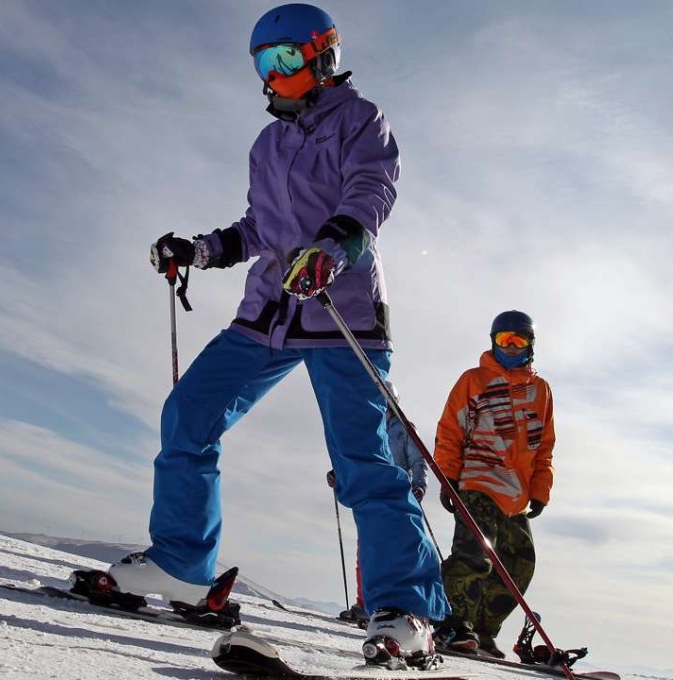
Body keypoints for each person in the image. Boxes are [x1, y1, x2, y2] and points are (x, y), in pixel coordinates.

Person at [105, 3, 448, 668]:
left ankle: (407, 612)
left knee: (366, 464)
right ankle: (181, 563)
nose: (274, 75)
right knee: (190, 413)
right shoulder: (267, 145)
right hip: (268, 314)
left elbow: (371, 193)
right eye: (265, 64)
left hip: (338, 311)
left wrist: (336, 246)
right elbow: (258, 228)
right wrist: (198, 251)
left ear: (323, 56)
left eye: (287, 59)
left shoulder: (359, 119)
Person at [431, 310, 555, 658]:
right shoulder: (473, 380)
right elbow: (450, 430)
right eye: (504, 341)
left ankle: (483, 630)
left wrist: (540, 489)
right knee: (474, 555)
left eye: (519, 341)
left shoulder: (540, 390)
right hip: (478, 479)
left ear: (531, 346)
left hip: (516, 492)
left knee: (519, 561)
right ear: (492, 342)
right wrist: (448, 477)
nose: (511, 348)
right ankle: (453, 623)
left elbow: (545, 445)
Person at [327, 380, 428, 624]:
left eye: (384, 401)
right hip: (371, 493)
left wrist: (419, 484)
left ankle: (400, 605)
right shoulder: (366, 430)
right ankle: (365, 604)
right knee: (368, 550)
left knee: (395, 550)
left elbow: (418, 460)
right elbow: (354, 458)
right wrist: (338, 473)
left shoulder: (404, 429)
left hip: (397, 494)